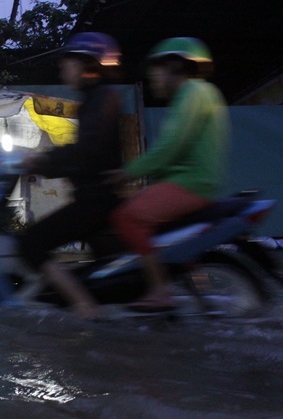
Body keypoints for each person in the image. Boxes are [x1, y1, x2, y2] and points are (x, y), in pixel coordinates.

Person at [107, 37, 230, 311]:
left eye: (157, 68)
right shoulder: (199, 94)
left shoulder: (193, 93)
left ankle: (161, 291)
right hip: (195, 182)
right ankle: (204, 296)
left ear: (174, 65)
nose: (153, 76)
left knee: (126, 217)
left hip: (190, 183)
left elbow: (171, 147)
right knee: (172, 238)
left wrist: (129, 172)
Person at [18, 32, 124, 320]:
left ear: (86, 65)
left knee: (30, 243)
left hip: (95, 202)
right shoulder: (96, 99)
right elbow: (81, 156)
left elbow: (85, 151)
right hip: (95, 198)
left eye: (69, 63)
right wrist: (45, 165)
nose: (63, 69)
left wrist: (43, 159)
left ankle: (84, 308)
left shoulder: (101, 99)